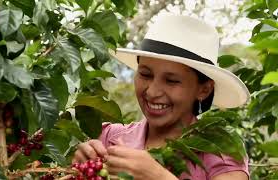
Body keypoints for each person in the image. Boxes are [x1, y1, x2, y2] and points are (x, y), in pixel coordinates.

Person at [72, 14, 250, 180]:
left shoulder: (222, 154)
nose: (152, 92)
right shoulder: (108, 138)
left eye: (171, 81)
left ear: (203, 90)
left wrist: (158, 176)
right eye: (145, 75)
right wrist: (78, 167)